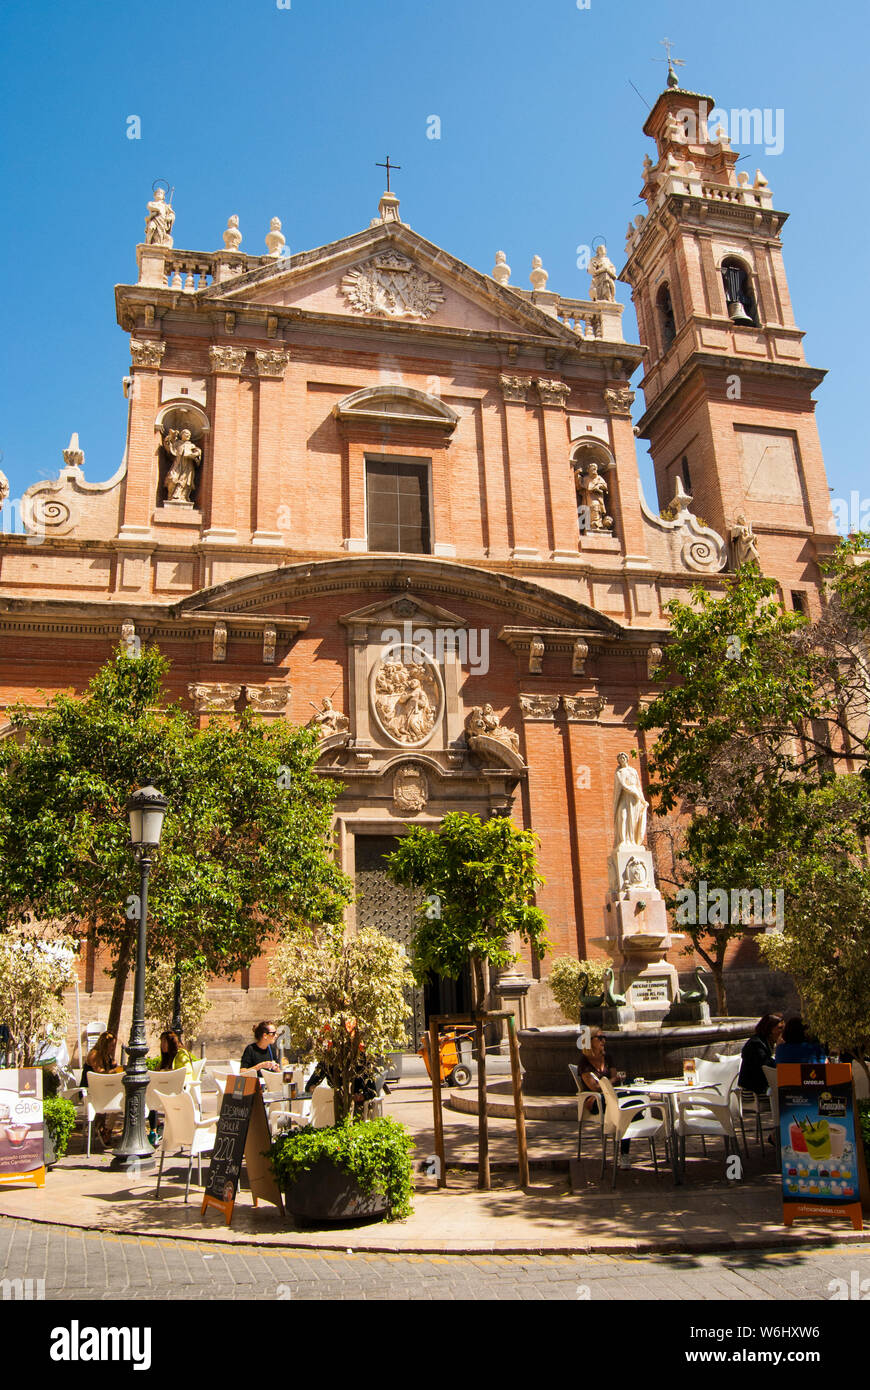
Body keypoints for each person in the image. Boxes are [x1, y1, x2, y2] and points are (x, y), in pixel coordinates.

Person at [578, 1028, 632, 1168]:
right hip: (596, 1101)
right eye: (600, 1038)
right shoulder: (584, 1062)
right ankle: (624, 1155)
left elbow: (614, 1078)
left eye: (604, 1037)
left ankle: (624, 1154)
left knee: (627, 1106)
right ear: (589, 1041)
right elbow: (594, 1087)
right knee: (624, 1109)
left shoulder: (608, 1058)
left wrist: (608, 1083)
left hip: (610, 1097)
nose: (603, 1041)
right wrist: (610, 1082)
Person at [147, 1030, 195, 1146]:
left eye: (164, 1042)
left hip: (177, 1091)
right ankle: (155, 1129)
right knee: (148, 1096)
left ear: (170, 1043)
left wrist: (169, 1073)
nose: (162, 1045)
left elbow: (186, 1073)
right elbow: (157, 1072)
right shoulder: (166, 1057)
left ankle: (156, 1129)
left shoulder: (181, 1054)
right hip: (164, 1090)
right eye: (161, 1042)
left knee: (151, 1096)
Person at [80, 1031, 124, 1148]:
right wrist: (115, 1071)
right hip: (89, 1092)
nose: (113, 1048)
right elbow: (100, 1075)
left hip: (103, 1091)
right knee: (118, 1099)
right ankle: (103, 1129)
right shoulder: (94, 1055)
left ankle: (107, 1130)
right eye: (111, 1045)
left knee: (121, 1099)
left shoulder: (107, 1056)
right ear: (105, 1044)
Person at [738, 1013, 785, 1093]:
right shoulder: (756, 1044)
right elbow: (769, 1066)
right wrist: (780, 1049)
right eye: (780, 1028)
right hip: (753, 1093)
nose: (783, 1031)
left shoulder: (766, 1042)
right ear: (770, 1029)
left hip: (764, 1088)